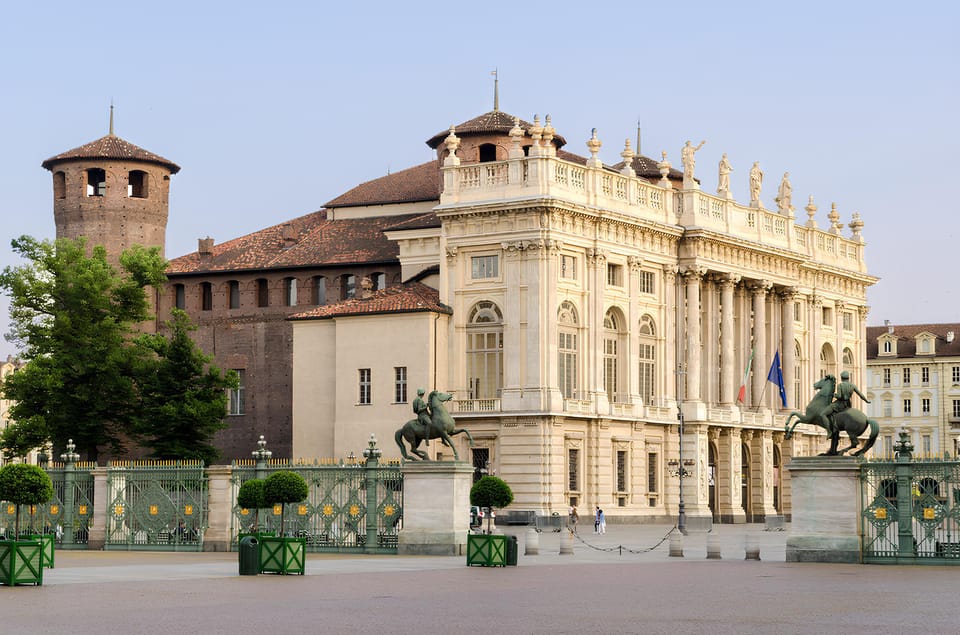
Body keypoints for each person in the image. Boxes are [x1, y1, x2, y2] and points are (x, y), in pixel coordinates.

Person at [820, 371, 870, 436]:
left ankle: (829, 432)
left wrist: (833, 395)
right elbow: (860, 394)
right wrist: (866, 400)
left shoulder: (840, 385)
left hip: (839, 404)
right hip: (848, 404)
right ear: (848, 378)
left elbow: (839, 396)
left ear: (841, 378)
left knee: (823, 414)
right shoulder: (852, 385)